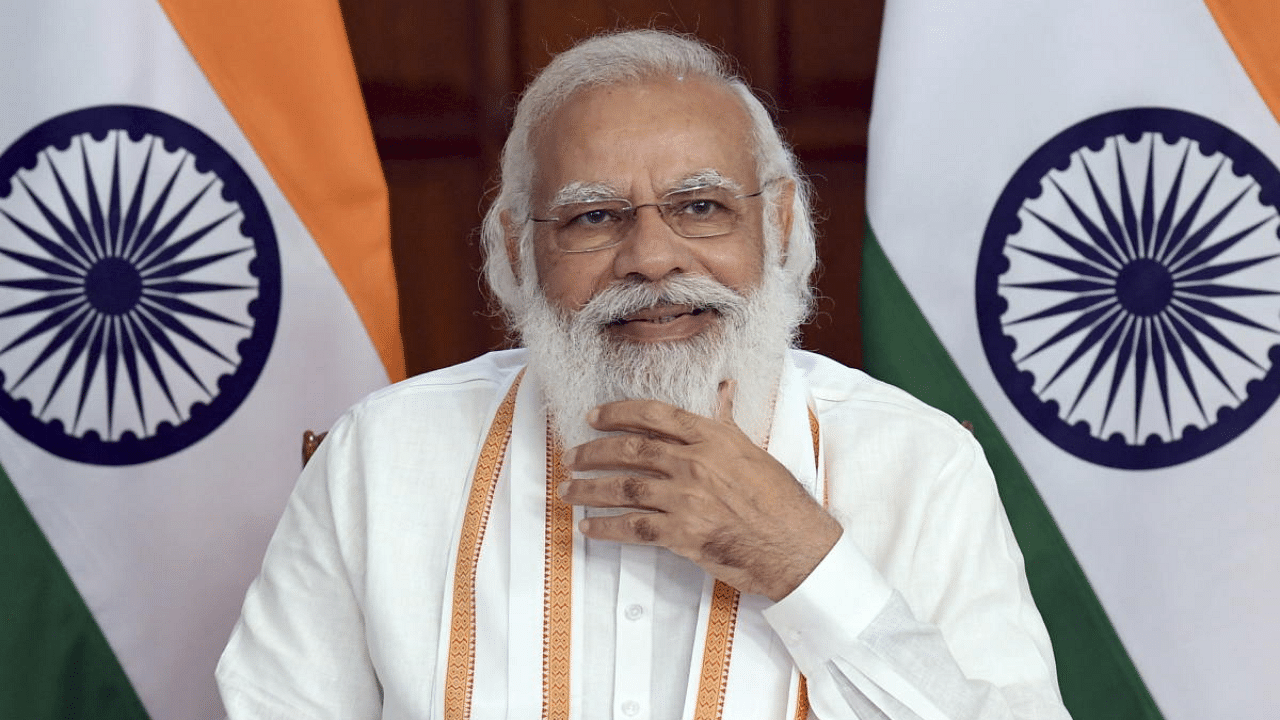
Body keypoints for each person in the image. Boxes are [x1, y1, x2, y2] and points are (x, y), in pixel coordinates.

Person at [216, 29, 1073, 720]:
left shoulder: (916, 462)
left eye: (701, 206)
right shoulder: (382, 457)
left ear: (776, 224)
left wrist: (802, 562)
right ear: (519, 250)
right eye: (595, 217)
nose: (653, 258)